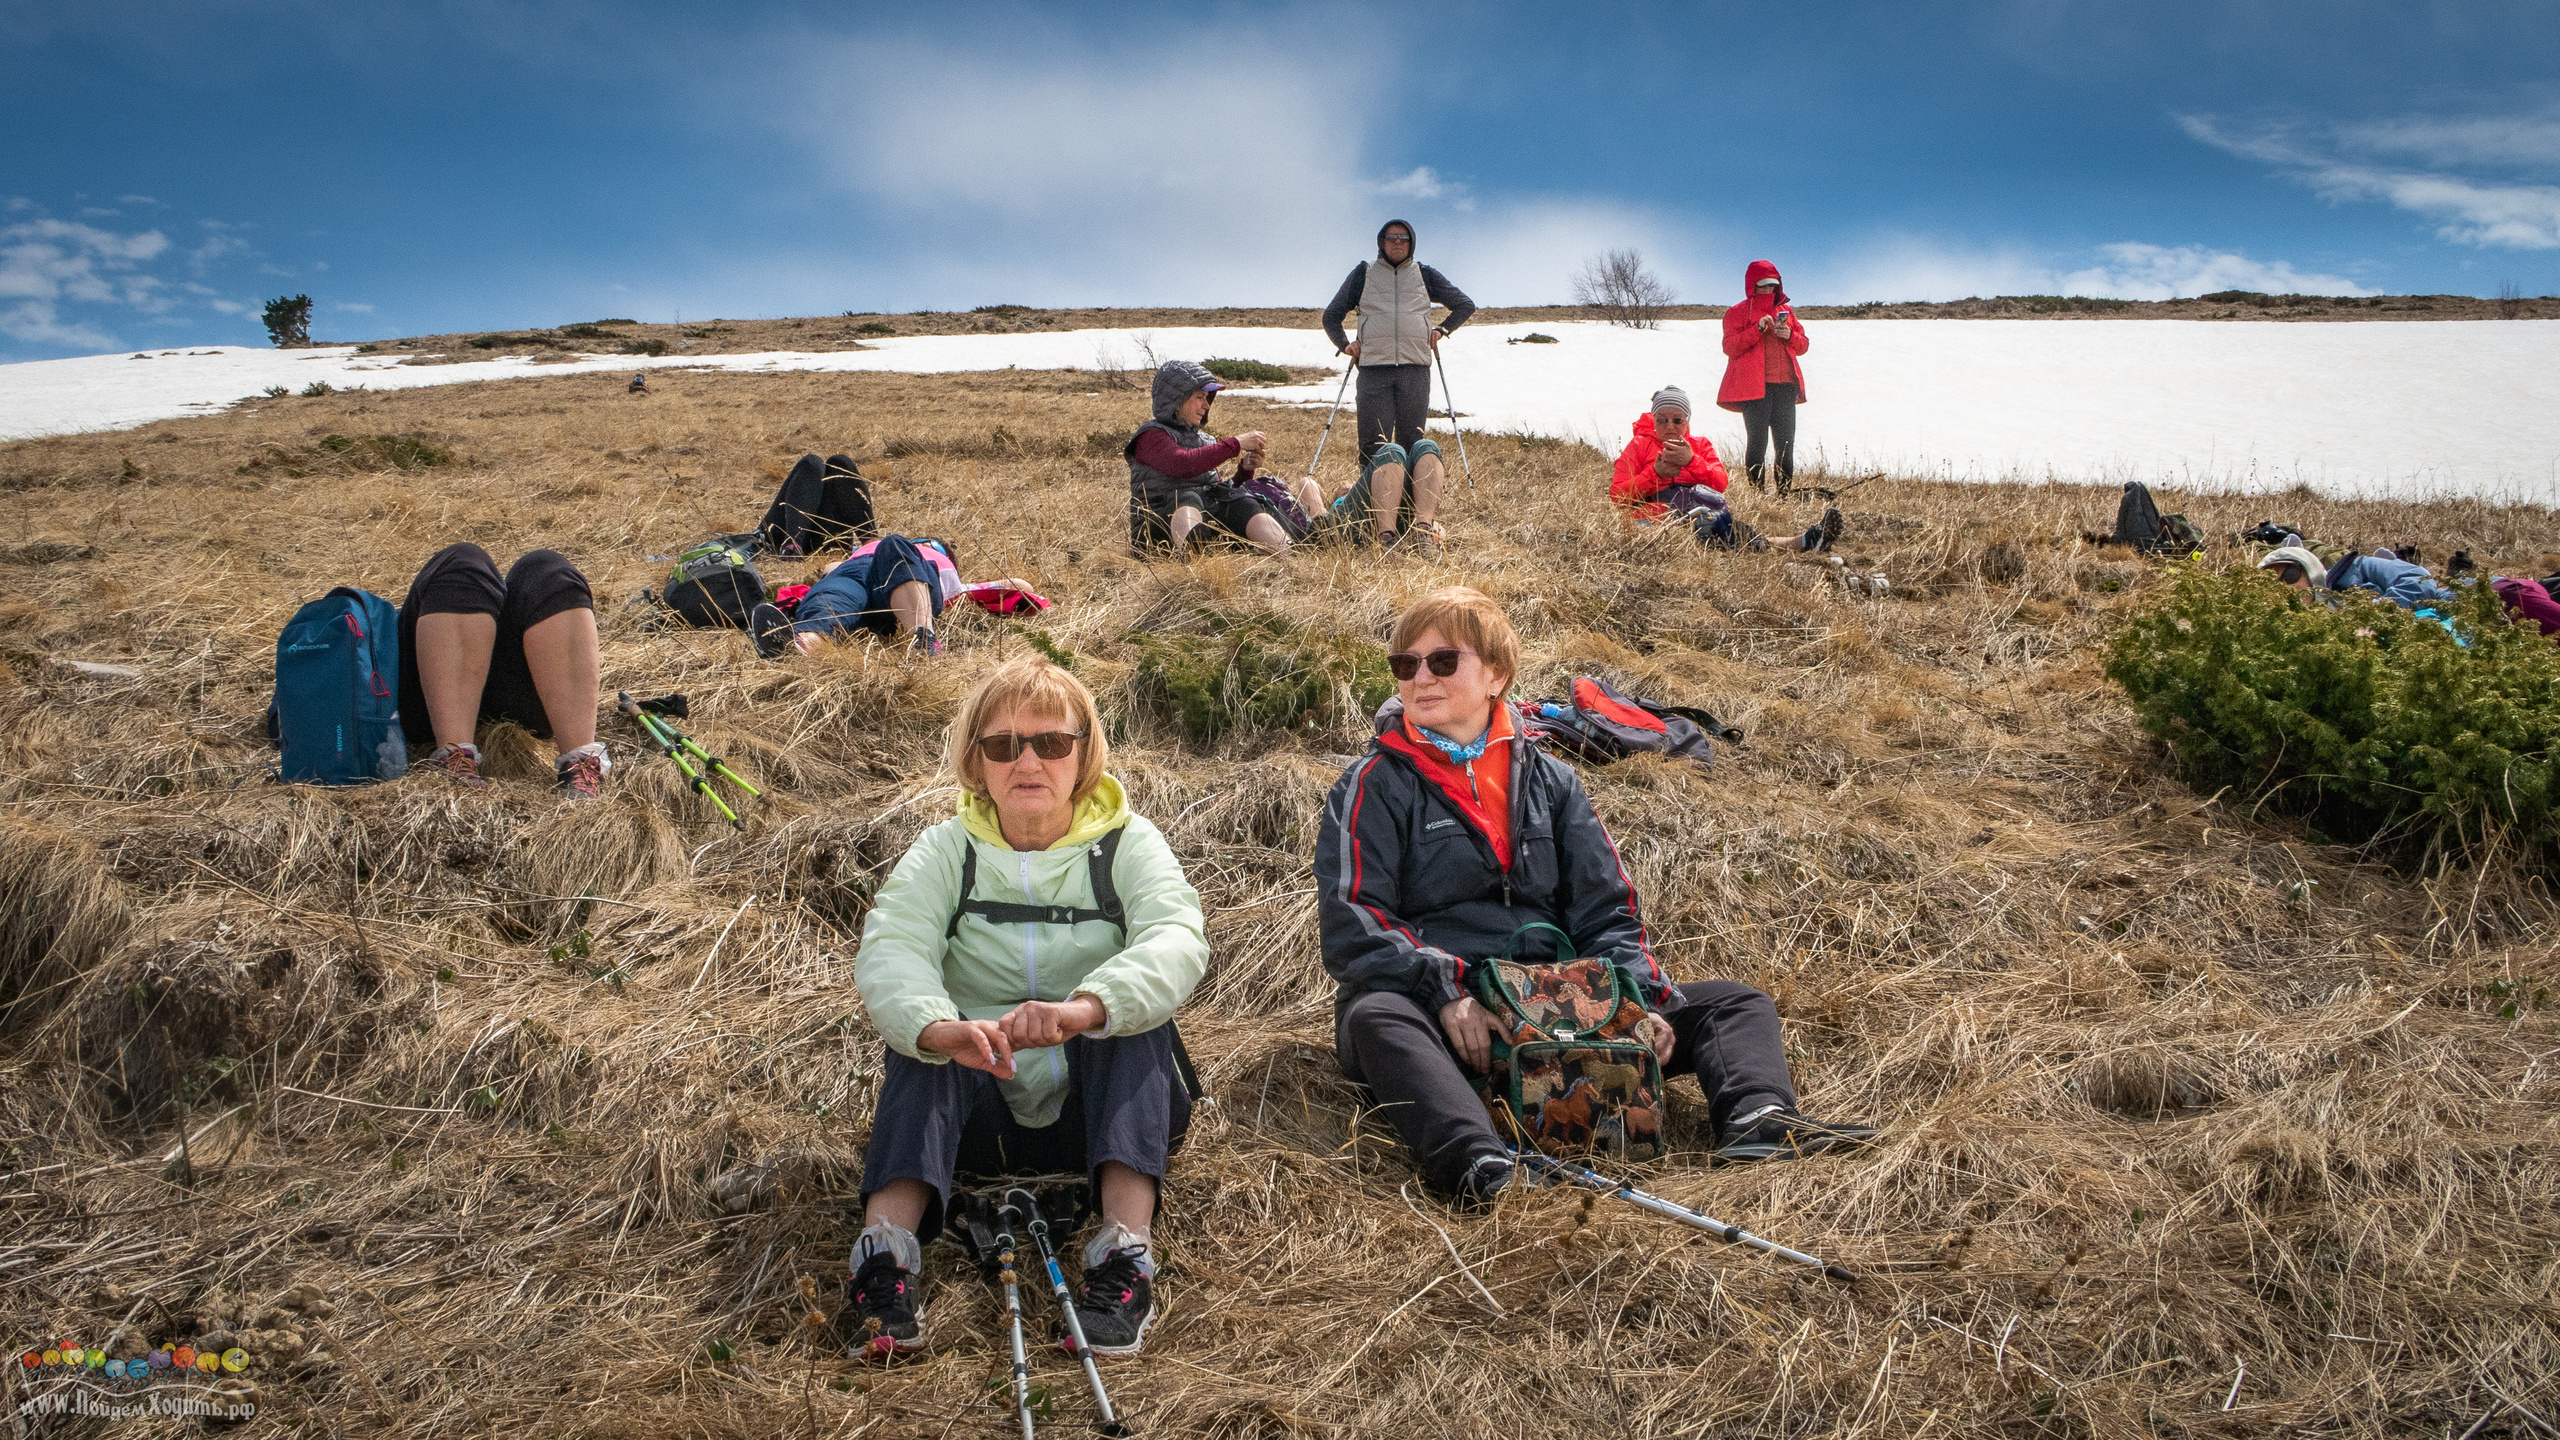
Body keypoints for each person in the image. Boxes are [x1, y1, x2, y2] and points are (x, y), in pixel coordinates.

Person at [1315, 587, 1875, 1207]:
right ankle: (1481, 1165)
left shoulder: (1553, 780)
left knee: (1735, 1007)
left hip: (1564, 1001)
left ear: (1497, 673)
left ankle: (1758, 1120)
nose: (1421, 677)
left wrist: (1638, 1001)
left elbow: (1606, 908)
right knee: (1377, 1018)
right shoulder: (1370, 785)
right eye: (1406, 664)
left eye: (1443, 661)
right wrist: (1447, 993)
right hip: (1457, 1012)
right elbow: (1354, 918)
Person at [847, 656, 1209, 1358]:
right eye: (1003, 744)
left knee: (1133, 1020)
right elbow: (892, 947)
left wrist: (1085, 1009)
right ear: (976, 763)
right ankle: (882, 1264)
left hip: (1101, 1113)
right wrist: (941, 1027)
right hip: (982, 1114)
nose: (1028, 761)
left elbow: (1175, 938)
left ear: (1084, 754)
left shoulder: (1130, 844)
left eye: (1051, 742)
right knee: (924, 1040)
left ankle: (1124, 1258)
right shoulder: (945, 851)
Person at [399, 543, 607, 797]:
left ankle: (581, 763)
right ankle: (453, 756)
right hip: (429, 698)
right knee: (462, 564)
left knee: (550, 570)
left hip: (524, 703)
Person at [1321, 219, 1476, 554]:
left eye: (1403, 238)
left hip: (1414, 369)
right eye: (1391, 238)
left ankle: (1412, 516)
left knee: (1412, 442)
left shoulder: (1425, 274)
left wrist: (1442, 330)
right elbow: (1331, 315)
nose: (1397, 243)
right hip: (1374, 370)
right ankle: (1378, 520)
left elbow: (1465, 304)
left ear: (1411, 242)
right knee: (1374, 447)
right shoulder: (1363, 274)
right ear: (1381, 242)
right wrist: (1345, 344)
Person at [1610, 386, 1842, 552]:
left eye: (1677, 420)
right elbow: (1618, 497)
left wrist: (1691, 461)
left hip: (1699, 512)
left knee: (1728, 529)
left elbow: (1720, 483)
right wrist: (1655, 475)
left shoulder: (1700, 445)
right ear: (1654, 420)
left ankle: (1805, 541)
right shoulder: (1639, 445)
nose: (1669, 426)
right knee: (1657, 532)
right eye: (1662, 420)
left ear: (1687, 421)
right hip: (1655, 515)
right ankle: (1803, 543)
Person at [1126, 360, 1320, 556]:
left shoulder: (1204, 439)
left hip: (1206, 524)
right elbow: (1182, 464)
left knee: (1241, 502)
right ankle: (1192, 558)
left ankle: (1289, 554)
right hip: (1154, 534)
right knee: (1187, 497)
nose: (1206, 405)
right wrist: (1235, 444)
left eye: (1208, 398)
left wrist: (1245, 471)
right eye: (1200, 397)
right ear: (1176, 400)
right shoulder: (1150, 437)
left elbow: (1215, 491)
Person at [750, 535, 957, 659]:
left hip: (905, 582)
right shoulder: (865, 551)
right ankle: (800, 645)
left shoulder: (937, 562)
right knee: (831, 596)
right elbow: (830, 568)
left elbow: (980, 590)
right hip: (855, 572)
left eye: (930, 543)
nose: (923, 544)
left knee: (894, 543)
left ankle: (923, 641)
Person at [1718, 261, 1809, 494]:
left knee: (1786, 445)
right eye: (1763, 284)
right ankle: (1758, 495)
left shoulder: (1786, 314)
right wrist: (1756, 330)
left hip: (1785, 386)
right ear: (1752, 285)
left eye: (1773, 284)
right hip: (1754, 389)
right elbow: (1730, 347)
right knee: (1757, 444)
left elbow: (1803, 345)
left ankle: (1784, 495)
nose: (1769, 289)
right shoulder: (1737, 312)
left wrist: (1789, 335)